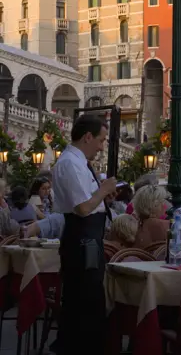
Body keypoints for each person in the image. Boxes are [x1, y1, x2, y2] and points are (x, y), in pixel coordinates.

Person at [52, 114, 117, 355]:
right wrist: (103, 190)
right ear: (87, 137)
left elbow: (89, 202)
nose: (101, 147)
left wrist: (103, 196)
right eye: (100, 140)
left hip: (88, 238)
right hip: (82, 240)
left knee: (87, 301)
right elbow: (82, 208)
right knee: (85, 302)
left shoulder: (78, 162)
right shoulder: (70, 163)